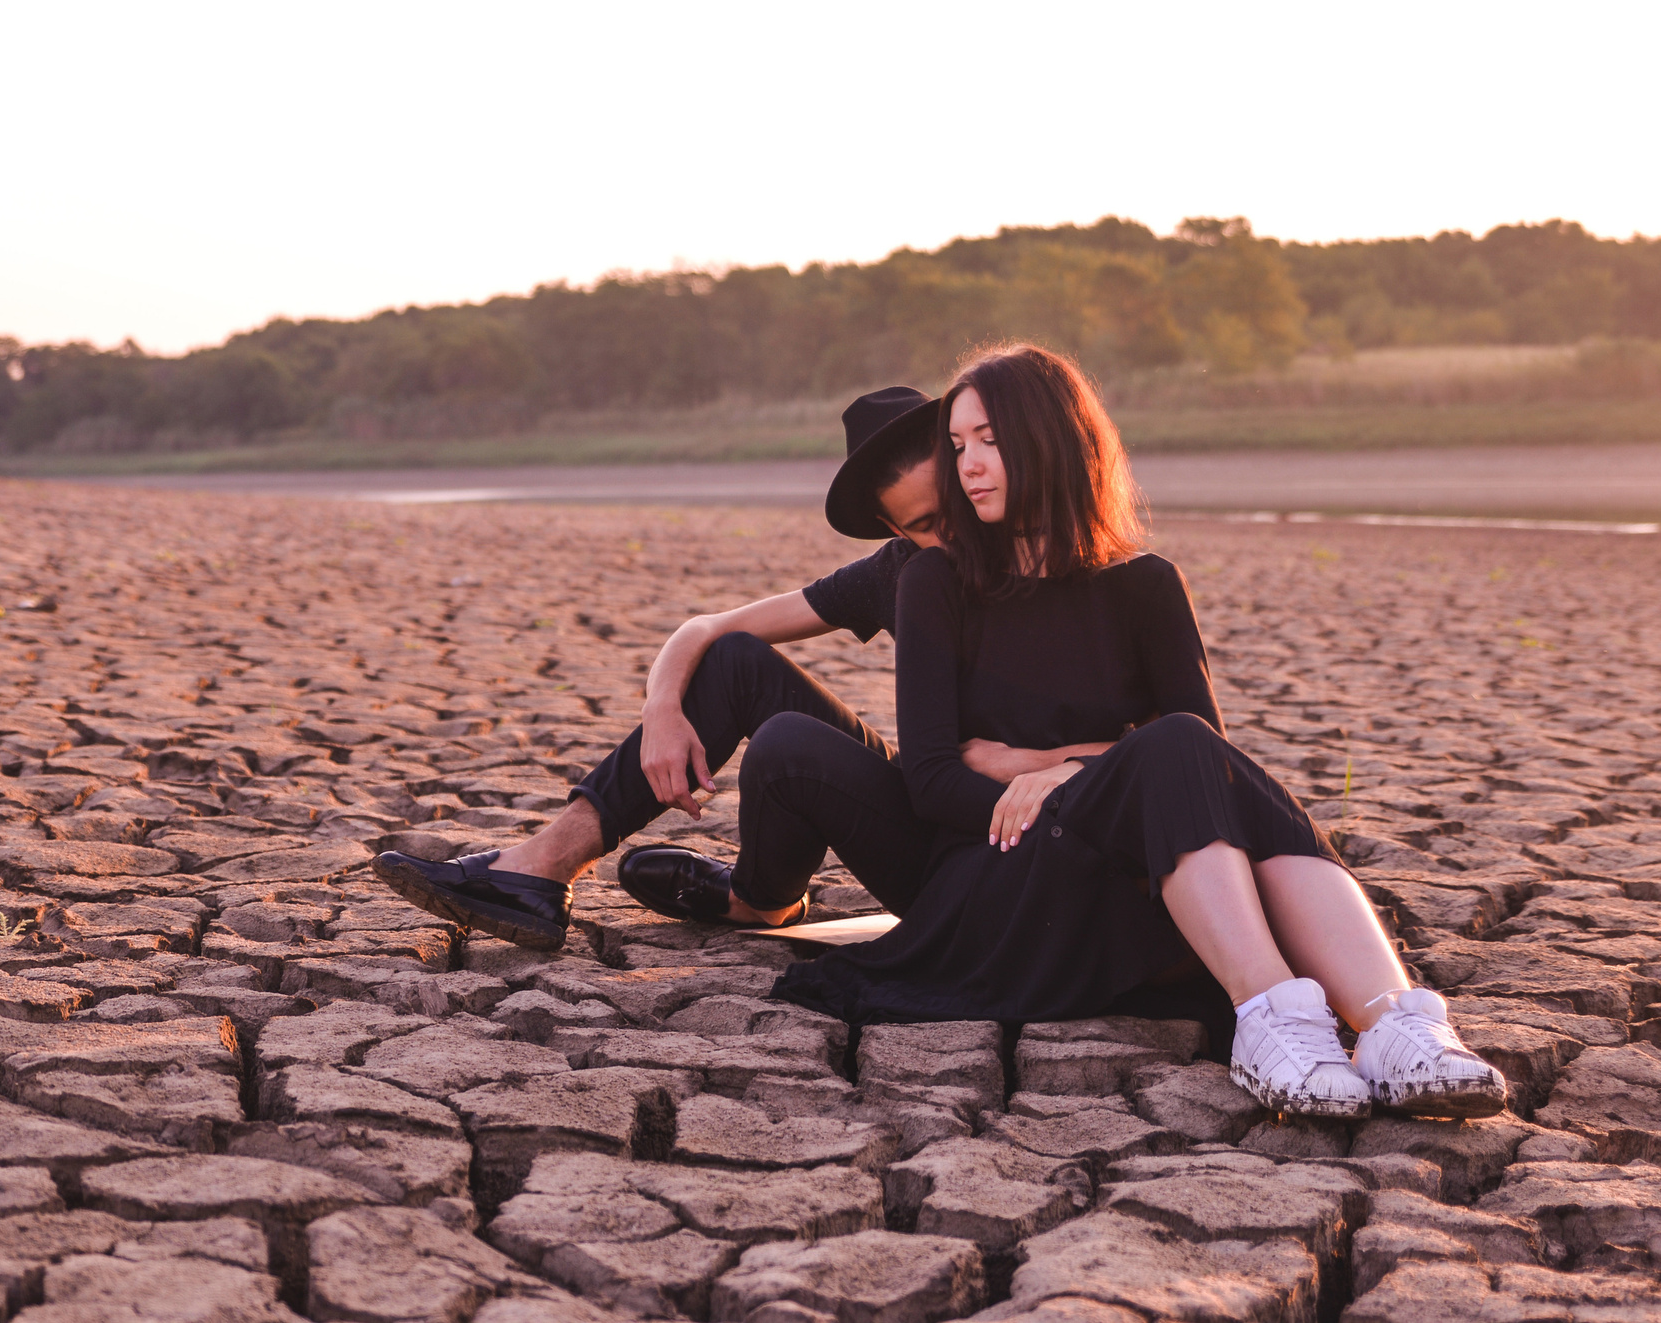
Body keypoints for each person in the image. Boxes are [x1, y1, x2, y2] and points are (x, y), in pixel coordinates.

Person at [773, 345, 1507, 1120]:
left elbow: (1207, 779)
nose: (969, 466)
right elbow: (931, 780)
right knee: (1173, 743)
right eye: (957, 447)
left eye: (988, 438)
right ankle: (1270, 1016)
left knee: (1192, 750)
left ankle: (1397, 1025)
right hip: (1008, 876)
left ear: (1049, 437)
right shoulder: (934, 581)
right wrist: (1084, 776)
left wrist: (1062, 767)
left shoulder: (1146, 585)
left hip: (1131, 879)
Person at [370, 386, 964, 949]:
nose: (952, 532)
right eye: (922, 524)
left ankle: (751, 899)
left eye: (954, 505)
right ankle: (549, 868)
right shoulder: (897, 570)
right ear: (893, 529)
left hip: (982, 850)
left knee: (789, 743)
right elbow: (705, 629)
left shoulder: (1044, 551)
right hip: (925, 811)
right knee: (736, 661)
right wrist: (662, 710)